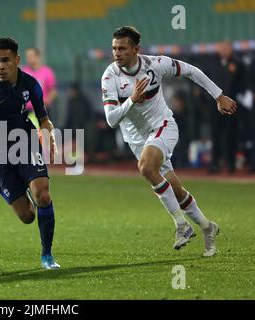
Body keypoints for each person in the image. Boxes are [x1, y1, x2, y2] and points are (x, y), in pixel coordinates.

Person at [101, 26, 237, 257]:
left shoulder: (155, 64)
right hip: (136, 140)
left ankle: (181, 225)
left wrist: (219, 95)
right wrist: (132, 100)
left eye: (122, 48)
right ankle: (207, 226)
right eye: (114, 48)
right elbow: (112, 119)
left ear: (136, 49)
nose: (117, 53)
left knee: (145, 167)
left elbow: (192, 71)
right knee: (176, 190)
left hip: (162, 127)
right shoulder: (110, 76)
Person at [0, 37, 60, 269]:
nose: (0, 66)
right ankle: (27, 190)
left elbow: (43, 118)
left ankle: (47, 256)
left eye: (5, 60)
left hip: (24, 141)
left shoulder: (31, 85)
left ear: (16, 60)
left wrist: (50, 138)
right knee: (28, 216)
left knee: (43, 194)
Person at [205, 40, 245, 173]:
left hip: (232, 106)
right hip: (214, 105)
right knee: (215, 136)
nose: (225, 50)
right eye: (222, 47)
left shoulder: (238, 64)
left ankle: (231, 164)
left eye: (227, 47)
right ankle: (214, 164)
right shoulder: (211, 63)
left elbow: (243, 83)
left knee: (231, 135)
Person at [22, 47, 57, 129]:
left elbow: (53, 91)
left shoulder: (47, 72)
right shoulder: (23, 72)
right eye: (27, 56)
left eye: (31, 56)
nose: (28, 58)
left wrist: (46, 102)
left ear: (38, 56)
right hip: (27, 110)